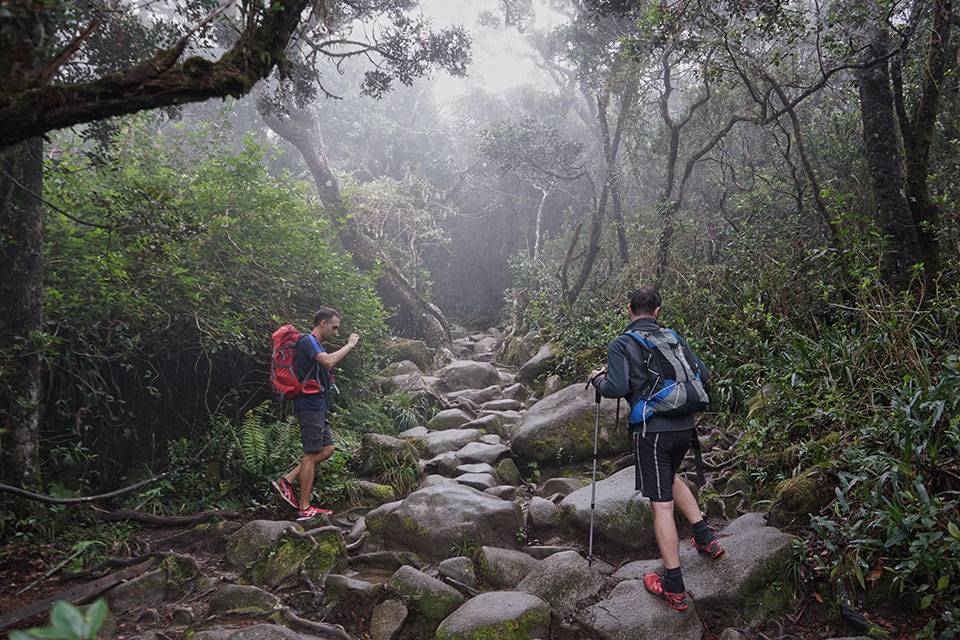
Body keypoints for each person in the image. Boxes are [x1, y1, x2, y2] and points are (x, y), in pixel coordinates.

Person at [590, 286, 723, 612]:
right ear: (658, 311)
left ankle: (674, 586)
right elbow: (702, 374)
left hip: (653, 432)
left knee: (660, 506)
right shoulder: (672, 337)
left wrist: (597, 380)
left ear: (628, 309)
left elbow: (617, 388)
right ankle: (705, 536)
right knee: (672, 476)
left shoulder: (621, 343)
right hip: (685, 427)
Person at [272, 307, 359, 520]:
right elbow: (328, 361)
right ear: (323, 323)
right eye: (334, 327)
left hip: (317, 406)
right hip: (309, 406)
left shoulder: (316, 344)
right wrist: (349, 345)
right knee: (310, 454)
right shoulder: (308, 341)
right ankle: (304, 507)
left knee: (328, 448)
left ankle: (287, 480)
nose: (336, 332)